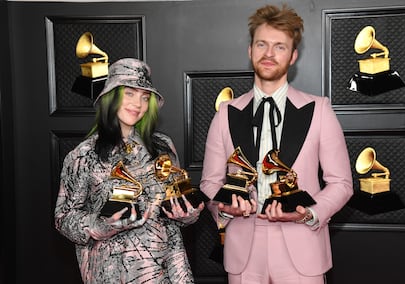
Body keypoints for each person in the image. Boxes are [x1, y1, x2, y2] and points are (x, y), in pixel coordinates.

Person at [200, 4, 353, 284]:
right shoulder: (225, 114)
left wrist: (309, 212)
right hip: (243, 250)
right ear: (250, 50)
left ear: (293, 56)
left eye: (279, 47)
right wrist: (223, 207)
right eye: (262, 44)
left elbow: (341, 183)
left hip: (302, 246)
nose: (269, 54)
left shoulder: (319, 110)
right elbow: (210, 182)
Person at [55, 58, 204, 283]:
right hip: (114, 273)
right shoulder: (83, 155)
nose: (138, 104)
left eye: (145, 97)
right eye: (129, 93)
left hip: (171, 270)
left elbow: (177, 202)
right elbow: (64, 218)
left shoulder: (164, 146)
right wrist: (99, 225)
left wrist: (188, 214)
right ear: (110, 97)